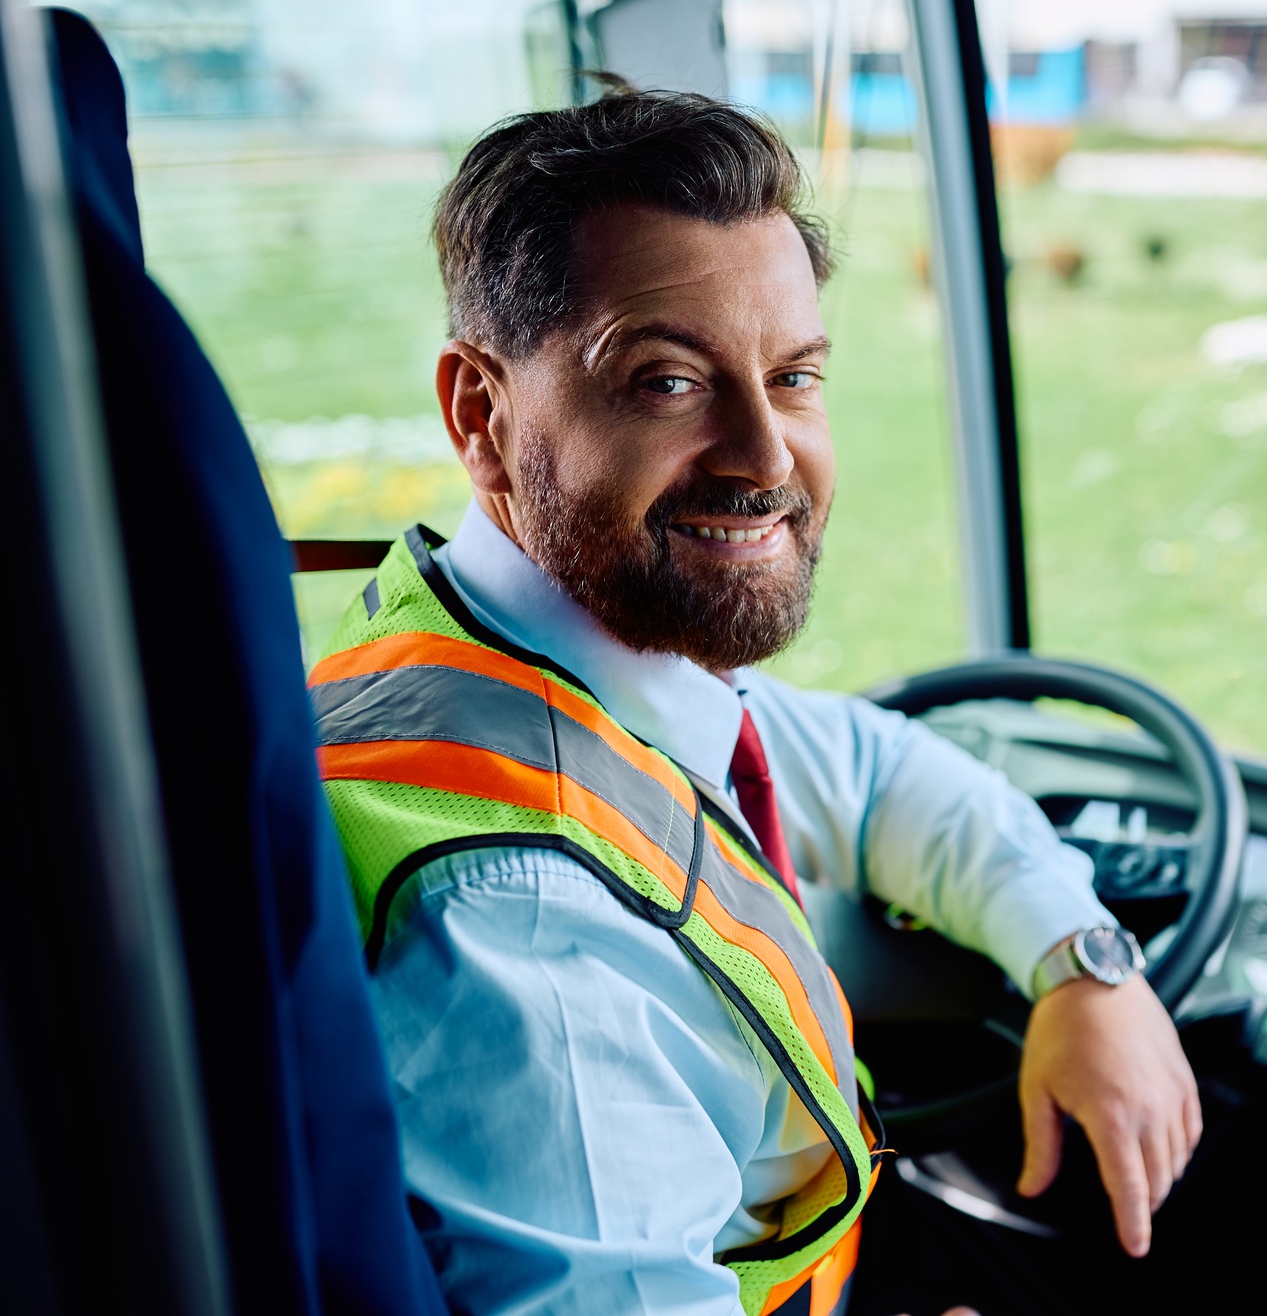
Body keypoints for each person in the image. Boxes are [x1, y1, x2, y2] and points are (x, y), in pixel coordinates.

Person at [309, 87, 1200, 1315]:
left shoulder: (524, 643)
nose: (768, 457)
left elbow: (872, 770)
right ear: (482, 413)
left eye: (792, 376)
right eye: (668, 382)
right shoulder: (526, 922)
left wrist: (1085, 965)